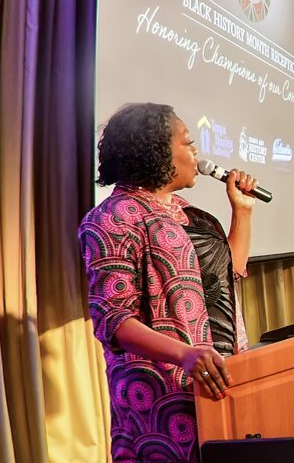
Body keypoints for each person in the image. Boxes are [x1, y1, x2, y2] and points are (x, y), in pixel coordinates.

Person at [81, 103, 261, 461]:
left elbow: (227, 277)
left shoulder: (187, 213)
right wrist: (185, 355)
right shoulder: (112, 218)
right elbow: (113, 320)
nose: (196, 151)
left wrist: (241, 212)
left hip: (218, 374)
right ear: (157, 150)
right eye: (187, 142)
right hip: (164, 394)